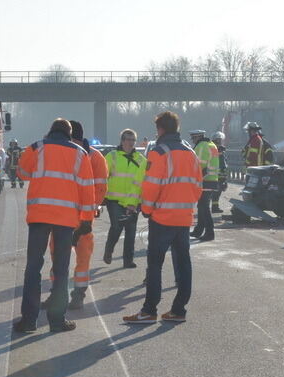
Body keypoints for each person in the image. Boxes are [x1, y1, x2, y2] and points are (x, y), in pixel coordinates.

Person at [14, 118, 95, 333]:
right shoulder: (80, 153)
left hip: (39, 216)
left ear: (50, 131)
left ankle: (28, 321)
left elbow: (21, 173)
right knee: (61, 269)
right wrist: (86, 220)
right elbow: (87, 189)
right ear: (69, 133)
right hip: (66, 219)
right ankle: (57, 321)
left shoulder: (36, 148)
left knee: (33, 267)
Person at [124, 111, 201, 324]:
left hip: (162, 217)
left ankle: (149, 310)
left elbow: (151, 186)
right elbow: (198, 187)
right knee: (184, 263)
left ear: (160, 129)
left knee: (155, 264)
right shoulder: (190, 153)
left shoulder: (158, 153)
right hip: (184, 217)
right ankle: (179, 310)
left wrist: (147, 210)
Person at [42, 121, 109, 311]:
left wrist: (86, 217)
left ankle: (78, 295)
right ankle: (56, 295)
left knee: (83, 256)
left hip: (82, 217)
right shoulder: (67, 153)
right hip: (61, 215)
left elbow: (100, 189)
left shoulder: (95, 158)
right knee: (57, 255)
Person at [103, 129, 147, 268]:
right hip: (114, 200)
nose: (130, 142)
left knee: (131, 230)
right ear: (122, 141)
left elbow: (144, 181)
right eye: (128, 139)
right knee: (116, 227)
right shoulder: (112, 156)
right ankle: (109, 251)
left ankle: (128, 260)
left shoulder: (141, 159)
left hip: (133, 201)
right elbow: (103, 176)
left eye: (133, 140)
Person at [190, 130, 219, 242]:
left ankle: (209, 233)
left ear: (198, 137)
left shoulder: (201, 146)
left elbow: (199, 165)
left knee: (204, 207)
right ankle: (199, 230)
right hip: (212, 179)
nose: (193, 141)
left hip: (204, 180)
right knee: (202, 206)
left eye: (193, 138)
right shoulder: (211, 144)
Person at [211, 131, 228, 213]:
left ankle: (215, 207)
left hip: (219, 175)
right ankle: (214, 208)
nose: (221, 141)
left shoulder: (217, 149)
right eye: (220, 140)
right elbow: (220, 163)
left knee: (217, 192)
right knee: (216, 192)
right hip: (217, 175)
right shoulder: (216, 149)